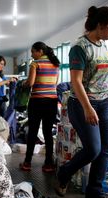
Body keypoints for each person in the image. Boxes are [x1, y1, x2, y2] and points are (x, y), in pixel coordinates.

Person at [55, 6, 108, 198]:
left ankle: (95, 193)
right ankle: (64, 173)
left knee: (104, 149)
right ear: (100, 25)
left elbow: (100, 73)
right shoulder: (80, 47)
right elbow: (76, 82)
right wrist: (87, 108)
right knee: (93, 149)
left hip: (105, 102)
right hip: (82, 103)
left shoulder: (102, 45)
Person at [20, 42, 60, 173]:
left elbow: (30, 82)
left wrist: (23, 84)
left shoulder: (35, 64)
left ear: (40, 51)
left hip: (37, 101)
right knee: (48, 133)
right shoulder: (56, 64)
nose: (32, 55)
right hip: (51, 102)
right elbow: (55, 83)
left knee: (33, 131)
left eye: (33, 52)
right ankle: (48, 163)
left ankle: (27, 163)